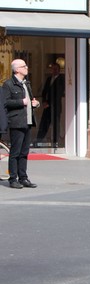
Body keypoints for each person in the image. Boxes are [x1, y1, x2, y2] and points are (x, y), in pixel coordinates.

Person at [2, 59, 40, 189]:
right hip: (17, 122)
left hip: (28, 121)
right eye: (24, 66)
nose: (27, 67)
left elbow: (30, 100)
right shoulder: (8, 84)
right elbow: (5, 102)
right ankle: (13, 179)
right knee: (15, 152)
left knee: (24, 152)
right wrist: (21, 102)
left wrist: (35, 104)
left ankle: (23, 177)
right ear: (17, 69)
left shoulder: (26, 83)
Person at [37, 62, 64, 147]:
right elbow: (44, 91)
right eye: (53, 69)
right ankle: (39, 139)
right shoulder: (49, 79)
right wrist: (44, 101)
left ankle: (55, 142)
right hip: (47, 106)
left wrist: (49, 103)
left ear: (59, 70)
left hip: (55, 106)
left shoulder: (61, 79)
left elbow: (58, 93)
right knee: (44, 123)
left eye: (56, 69)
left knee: (56, 124)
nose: (54, 71)